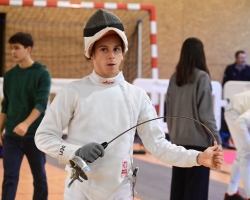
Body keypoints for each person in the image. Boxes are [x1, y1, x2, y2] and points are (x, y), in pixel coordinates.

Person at [34, 9, 224, 200]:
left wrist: (198, 158)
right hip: (79, 192)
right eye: (104, 49)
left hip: (120, 193)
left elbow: (158, 145)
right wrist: (75, 151)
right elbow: (43, 136)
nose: (111, 56)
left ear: (123, 52)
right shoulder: (72, 92)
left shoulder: (137, 96)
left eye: (116, 49)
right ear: (90, 51)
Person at [166, 37, 222, 200]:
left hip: (177, 142)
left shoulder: (174, 77)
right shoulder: (202, 77)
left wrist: (173, 136)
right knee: (195, 193)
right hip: (199, 145)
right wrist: (217, 141)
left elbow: (168, 112)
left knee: (178, 190)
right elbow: (206, 115)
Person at [0, 32, 50, 200]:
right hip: (12, 137)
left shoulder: (42, 73)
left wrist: (26, 124)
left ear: (28, 49)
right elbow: (5, 104)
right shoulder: (9, 76)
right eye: (11, 48)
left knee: (40, 179)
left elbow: (41, 104)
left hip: (35, 137)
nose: (13, 51)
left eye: (16, 48)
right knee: (9, 178)